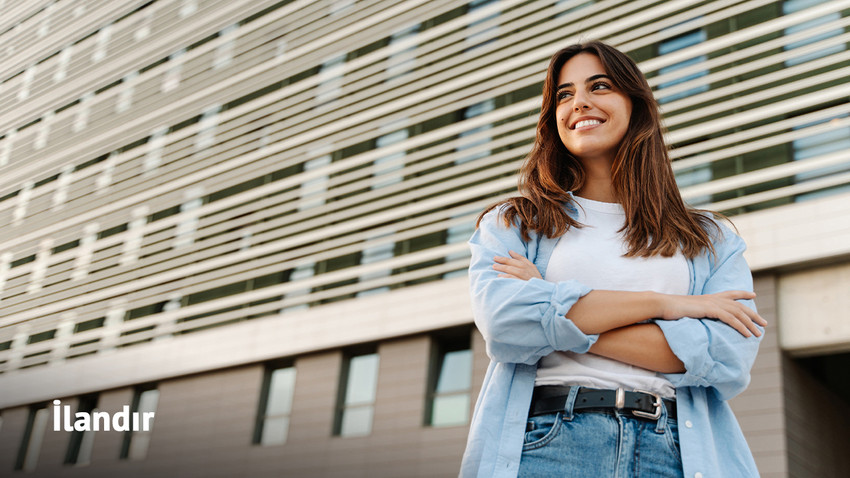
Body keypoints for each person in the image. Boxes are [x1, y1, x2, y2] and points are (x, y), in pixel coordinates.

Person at [459, 41, 766, 478]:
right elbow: (506, 324)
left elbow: (726, 356)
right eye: (564, 94)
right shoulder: (516, 223)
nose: (579, 102)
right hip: (551, 442)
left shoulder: (709, 239)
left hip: (674, 450)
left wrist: (550, 304)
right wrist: (668, 306)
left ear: (634, 103)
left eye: (599, 86)